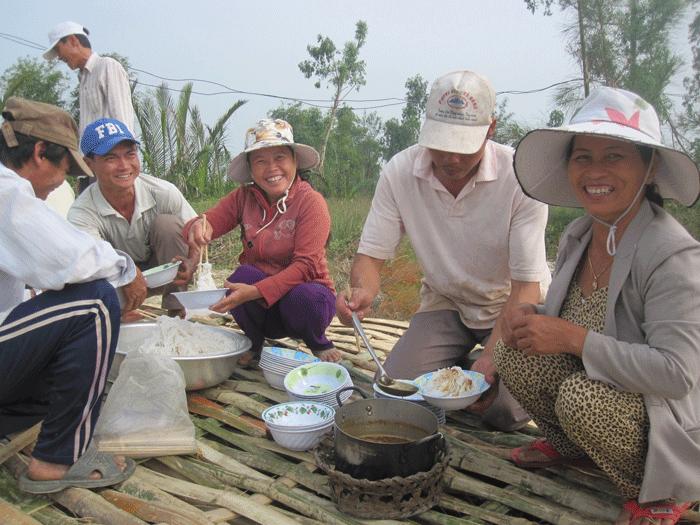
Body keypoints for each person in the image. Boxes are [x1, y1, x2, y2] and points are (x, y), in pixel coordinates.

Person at [495, 86, 700, 525]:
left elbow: (677, 374)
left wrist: (572, 338)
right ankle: (578, 450)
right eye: (582, 157)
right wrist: (535, 320)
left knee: (580, 399)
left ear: (649, 169)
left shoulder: (671, 256)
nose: (595, 170)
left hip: (660, 416)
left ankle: (666, 489)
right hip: (597, 394)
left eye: (615, 156)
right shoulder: (581, 235)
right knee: (511, 351)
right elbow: (569, 316)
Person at [336, 70, 551, 432]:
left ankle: (472, 367)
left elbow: (526, 289)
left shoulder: (520, 179)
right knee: (397, 393)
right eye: (441, 143)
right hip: (446, 301)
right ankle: (458, 365)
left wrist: (492, 355)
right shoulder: (400, 172)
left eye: (464, 144)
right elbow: (370, 256)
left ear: (491, 129)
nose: (451, 158)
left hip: (509, 306)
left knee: (506, 412)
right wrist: (361, 293)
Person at [0, 97, 146, 493]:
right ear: (38, 153)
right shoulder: (5, 191)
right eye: (64, 170)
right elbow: (72, 258)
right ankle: (55, 461)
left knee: (62, 374)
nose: (62, 182)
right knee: (97, 299)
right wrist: (127, 269)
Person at [183, 119, 339, 365]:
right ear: (250, 169)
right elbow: (209, 219)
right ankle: (254, 342)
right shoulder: (243, 198)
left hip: (301, 304)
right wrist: (199, 227)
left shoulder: (311, 202)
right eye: (261, 161)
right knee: (241, 276)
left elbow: (305, 266)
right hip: (263, 311)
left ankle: (317, 341)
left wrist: (254, 292)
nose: (272, 168)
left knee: (307, 297)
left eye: (279, 158)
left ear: (295, 162)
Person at [67, 118, 198, 319]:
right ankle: (119, 311)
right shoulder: (82, 212)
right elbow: (93, 263)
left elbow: (197, 234)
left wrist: (192, 262)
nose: (124, 166)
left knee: (168, 224)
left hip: (162, 274)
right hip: (119, 281)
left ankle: (176, 308)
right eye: (110, 158)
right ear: (89, 164)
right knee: (93, 268)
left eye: (130, 154)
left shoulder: (163, 192)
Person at [43, 21, 134, 193]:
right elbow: (86, 129)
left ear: (73, 41)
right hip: (92, 167)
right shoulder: (84, 78)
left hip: (110, 166)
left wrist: (123, 167)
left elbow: (123, 121)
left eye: (58, 50)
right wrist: (82, 175)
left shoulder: (107, 66)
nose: (59, 57)